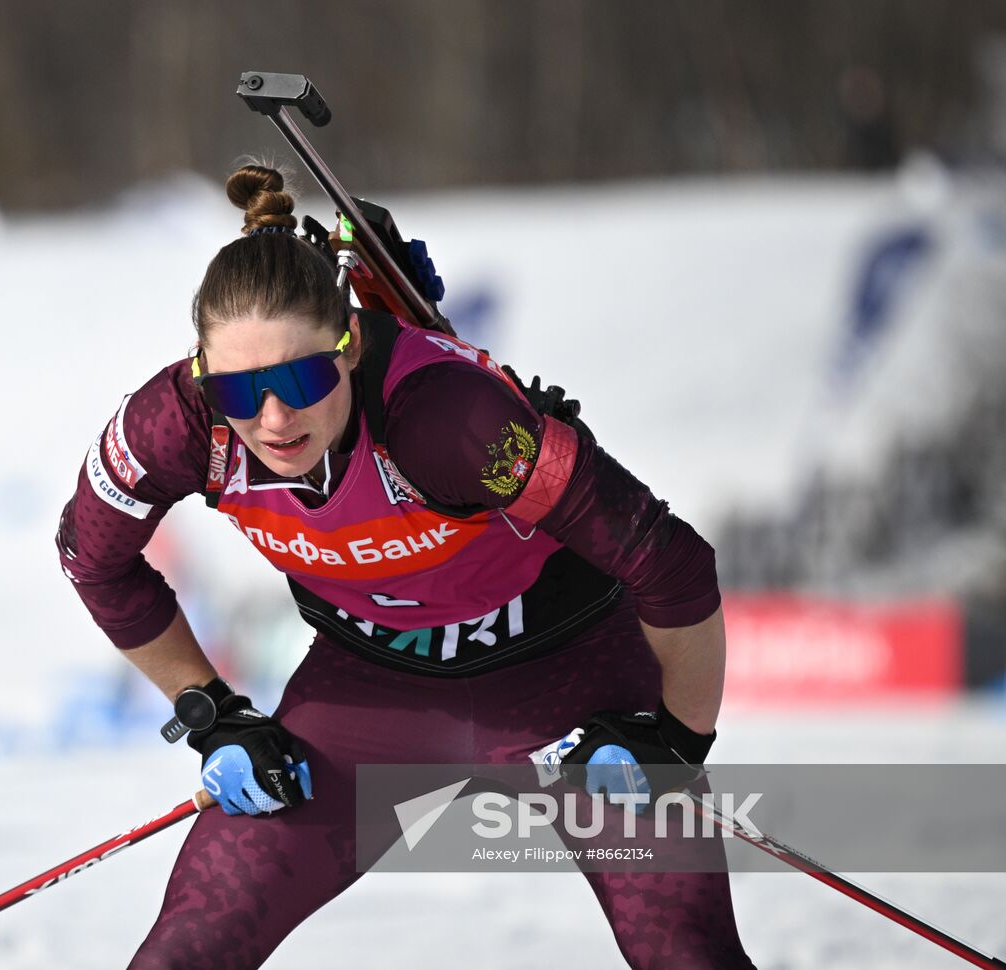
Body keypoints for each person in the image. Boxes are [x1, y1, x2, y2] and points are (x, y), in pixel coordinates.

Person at [57, 164, 754, 969]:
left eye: (301, 377)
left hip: (568, 677)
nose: (274, 419)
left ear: (349, 348)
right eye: (242, 391)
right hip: (368, 693)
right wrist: (213, 714)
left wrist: (673, 740)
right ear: (205, 375)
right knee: (184, 954)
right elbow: (92, 561)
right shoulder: (173, 426)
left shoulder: (450, 421)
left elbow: (676, 567)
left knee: (688, 957)